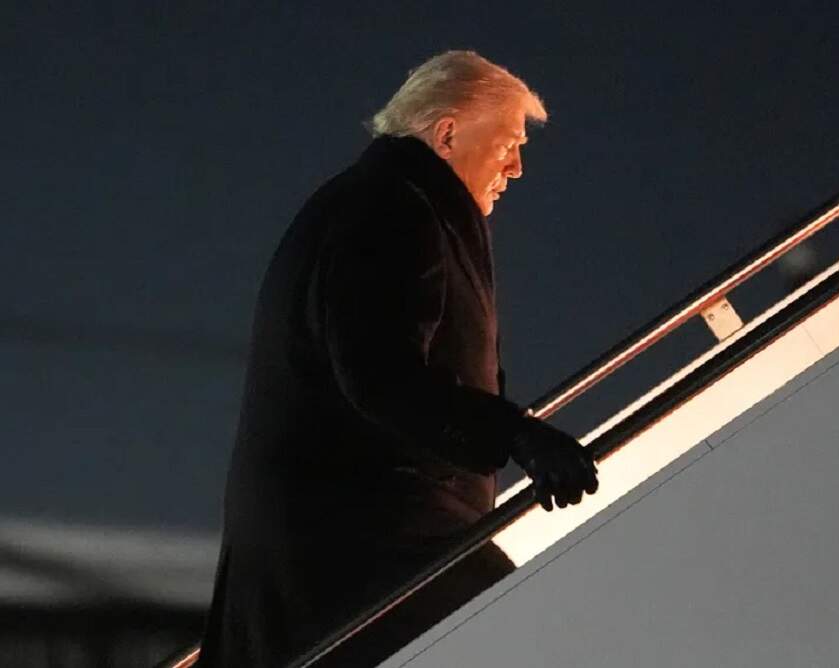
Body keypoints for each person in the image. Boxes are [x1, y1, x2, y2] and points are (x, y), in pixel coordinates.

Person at [195, 51, 599, 667]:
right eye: (509, 144)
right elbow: (381, 375)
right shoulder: (393, 209)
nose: (516, 167)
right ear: (447, 133)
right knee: (526, 635)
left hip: (336, 548)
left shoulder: (374, 201)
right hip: (367, 545)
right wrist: (517, 434)